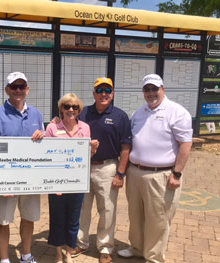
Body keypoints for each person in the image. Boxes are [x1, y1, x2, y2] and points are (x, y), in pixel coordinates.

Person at [117, 74, 193, 263]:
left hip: (161, 175)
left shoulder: (177, 112)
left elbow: (186, 144)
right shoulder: (139, 112)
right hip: (135, 172)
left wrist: (177, 173)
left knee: (158, 219)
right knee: (135, 215)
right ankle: (136, 247)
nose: (151, 93)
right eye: (147, 89)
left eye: (154, 89)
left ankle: (154, 256)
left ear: (162, 89)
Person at [0, 72, 44, 263]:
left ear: (27, 89)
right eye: (14, 87)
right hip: (6, 181)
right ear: (7, 90)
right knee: (3, 220)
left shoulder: (37, 114)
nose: (18, 90)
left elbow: (44, 148)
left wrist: (43, 137)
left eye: (22, 86)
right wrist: (0, 182)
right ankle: (4, 259)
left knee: (29, 217)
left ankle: (26, 255)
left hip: (31, 179)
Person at [72, 77, 132, 263]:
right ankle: (81, 243)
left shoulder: (121, 116)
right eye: (100, 90)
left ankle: (105, 247)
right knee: (82, 207)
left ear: (113, 94)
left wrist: (120, 174)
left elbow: (126, 147)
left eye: (107, 90)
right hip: (83, 167)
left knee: (107, 209)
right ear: (94, 93)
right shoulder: (83, 113)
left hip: (108, 168)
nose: (103, 94)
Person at [45, 93, 99, 263]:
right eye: (67, 106)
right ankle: (59, 253)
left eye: (75, 107)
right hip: (56, 182)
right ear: (61, 108)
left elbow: (87, 157)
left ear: (79, 110)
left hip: (77, 181)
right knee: (58, 217)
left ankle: (69, 251)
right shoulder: (52, 128)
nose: (70, 110)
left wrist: (92, 149)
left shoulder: (85, 128)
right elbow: (46, 154)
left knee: (74, 218)